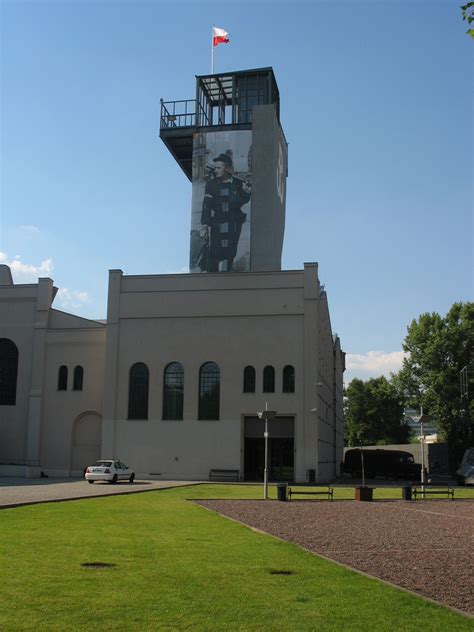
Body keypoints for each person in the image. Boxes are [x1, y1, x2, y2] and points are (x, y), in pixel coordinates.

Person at [200, 153, 251, 272]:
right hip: (218, 221)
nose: (215, 170)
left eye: (219, 168)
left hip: (233, 222)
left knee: (230, 252)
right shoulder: (211, 184)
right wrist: (205, 224)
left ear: (227, 169)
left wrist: (246, 192)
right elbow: (207, 204)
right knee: (215, 252)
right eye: (215, 167)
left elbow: (242, 201)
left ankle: (228, 277)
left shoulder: (238, 183)